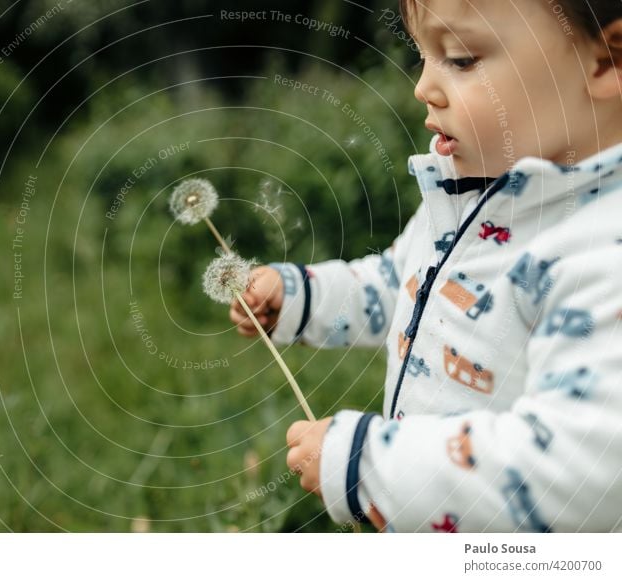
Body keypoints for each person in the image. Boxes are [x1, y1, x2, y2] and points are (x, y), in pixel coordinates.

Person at [230, 0, 622, 532]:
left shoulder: (601, 250)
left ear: (608, 61)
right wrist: (301, 299)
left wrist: (368, 467)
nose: (423, 88)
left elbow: (576, 475)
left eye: (460, 58)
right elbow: (401, 281)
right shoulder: (471, 193)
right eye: (422, 56)